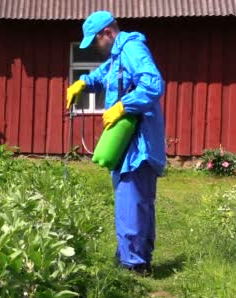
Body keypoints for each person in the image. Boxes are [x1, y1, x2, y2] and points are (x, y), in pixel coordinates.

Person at [65, 11, 166, 275]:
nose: (96, 48)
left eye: (95, 41)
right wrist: (82, 83)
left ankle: (134, 264)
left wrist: (123, 105)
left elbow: (153, 84)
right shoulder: (117, 56)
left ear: (107, 33)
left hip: (138, 141)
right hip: (124, 142)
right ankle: (132, 255)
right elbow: (102, 76)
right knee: (132, 200)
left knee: (131, 200)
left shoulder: (132, 49)